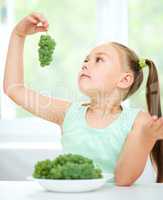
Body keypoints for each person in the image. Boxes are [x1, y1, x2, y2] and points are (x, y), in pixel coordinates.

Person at [3, 12, 163, 186]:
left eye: (99, 59)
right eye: (86, 59)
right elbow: (14, 89)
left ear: (124, 80)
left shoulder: (139, 122)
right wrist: (18, 35)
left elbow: (122, 180)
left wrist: (146, 138)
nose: (85, 64)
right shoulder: (68, 113)